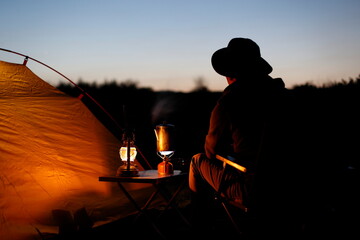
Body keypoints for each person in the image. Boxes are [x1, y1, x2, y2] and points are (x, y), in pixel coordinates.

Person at [188, 38, 303, 239]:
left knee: (198, 161)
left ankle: (201, 228)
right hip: (294, 188)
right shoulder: (286, 97)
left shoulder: (229, 101)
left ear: (229, 73)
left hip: (255, 190)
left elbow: (211, 151)